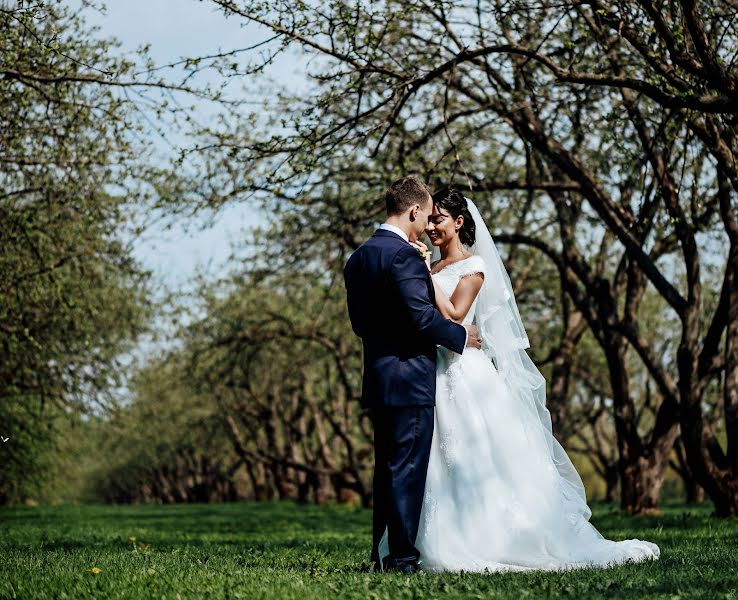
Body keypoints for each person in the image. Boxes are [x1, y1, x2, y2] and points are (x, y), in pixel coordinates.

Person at [378, 187, 660, 572]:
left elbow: (458, 317)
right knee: (432, 460)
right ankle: (420, 542)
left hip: (464, 373)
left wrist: (424, 277)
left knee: (474, 455)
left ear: (459, 223)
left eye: (439, 220)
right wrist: (425, 273)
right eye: (429, 220)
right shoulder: (430, 267)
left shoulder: (473, 267)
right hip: (432, 372)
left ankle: (490, 538)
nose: (431, 228)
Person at [343, 176, 482, 574]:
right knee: (405, 471)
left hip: (380, 376)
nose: (426, 227)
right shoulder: (402, 255)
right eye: (425, 217)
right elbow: (421, 318)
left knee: (387, 472)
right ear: (415, 210)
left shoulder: (359, 257)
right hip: (410, 378)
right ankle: (402, 558)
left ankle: (383, 554)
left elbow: (361, 324)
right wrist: (460, 335)